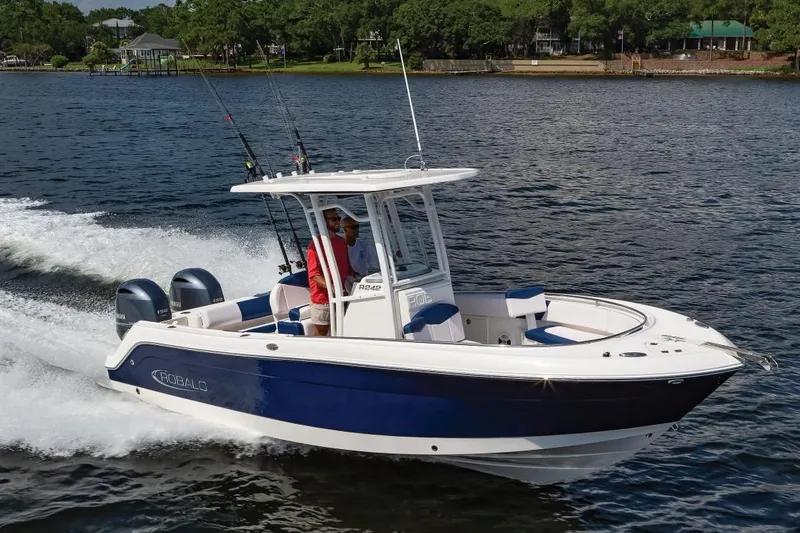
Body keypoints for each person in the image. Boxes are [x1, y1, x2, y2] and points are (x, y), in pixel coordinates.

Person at [307, 208, 355, 336]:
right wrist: (332, 288)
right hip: (322, 299)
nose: (338, 222)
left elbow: (347, 267)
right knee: (321, 334)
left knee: (343, 330)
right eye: (334, 219)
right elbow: (314, 275)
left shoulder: (341, 242)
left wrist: (358, 279)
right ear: (324, 222)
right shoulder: (315, 245)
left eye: (338, 218)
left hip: (342, 296)